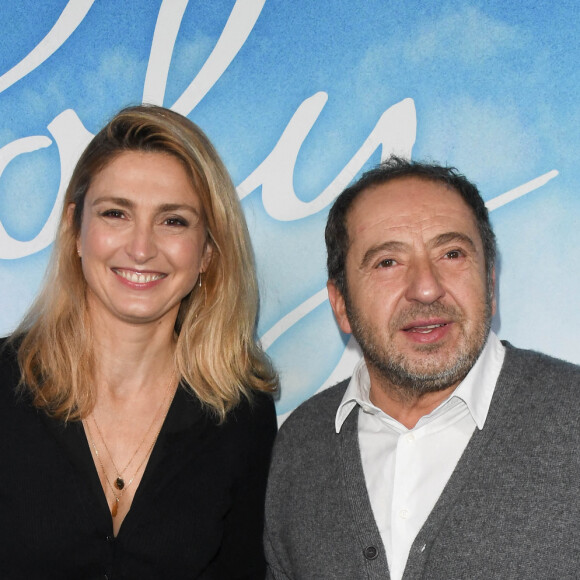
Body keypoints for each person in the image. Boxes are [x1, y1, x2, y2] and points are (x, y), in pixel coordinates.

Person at [264, 156, 580, 579]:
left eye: (451, 254)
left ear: (489, 282)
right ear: (341, 303)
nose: (427, 288)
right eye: (387, 262)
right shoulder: (300, 448)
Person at [0, 104, 278, 579]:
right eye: (115, 213)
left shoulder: (241, 413)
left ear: (208, 250)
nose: (142, 248)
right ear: (75, 231)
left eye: (173, 221)